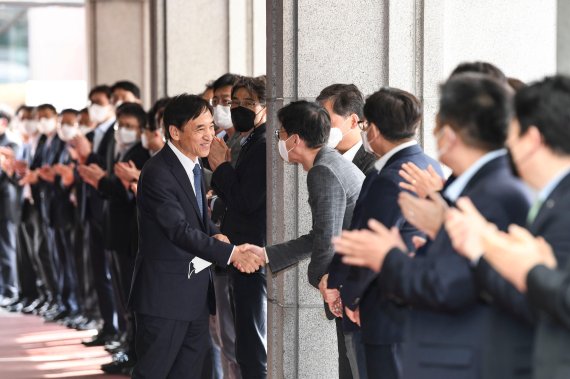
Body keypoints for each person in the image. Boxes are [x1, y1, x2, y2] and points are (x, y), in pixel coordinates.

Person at [334, 73, 534, 379]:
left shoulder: (496, 190)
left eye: (440, 123)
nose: (436, 132)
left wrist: (388, 257)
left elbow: (454, 283)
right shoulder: (468, 181)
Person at [128, 93, 264, 379]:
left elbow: (198, 222)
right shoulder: (158, 172)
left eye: (211, 127)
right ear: (175, 132)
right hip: (165, 298)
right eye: (199, 128)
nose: (209, 136)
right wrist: (232, 254)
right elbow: (177, 229)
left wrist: (218, 236)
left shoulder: (194, 168)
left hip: (195, 295)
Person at [445, 75, 570, 379]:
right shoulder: (553, 197)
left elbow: (548, 302)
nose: (508, 146)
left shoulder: (564, 207)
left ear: (533, 139)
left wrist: (485, 252)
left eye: (512, 135)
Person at [328, 88, 443, 379]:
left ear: (374, 129)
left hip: (383, 312)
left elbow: (371, 244)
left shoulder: (389, 177)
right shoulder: (430, 166)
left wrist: (350, 296)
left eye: (365, 126)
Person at [247, 99, 365, 379]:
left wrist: (326, 282)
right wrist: (266, 254)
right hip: (353, 280)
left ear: (295, 139)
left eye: (281, 134)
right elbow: (320, 235)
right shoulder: (329, 162)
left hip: (357, 284)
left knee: (354, 368)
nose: (280, 140)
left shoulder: (323, 170)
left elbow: (327, 239)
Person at [209, 76, 268, 379]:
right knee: (243, 340)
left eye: (249, 103)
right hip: (237, 251)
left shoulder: (263, 143)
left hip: (251, 252)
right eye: (235, 103)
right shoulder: (247, 140)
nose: (239, 109)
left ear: (266, 106)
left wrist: (220, 167)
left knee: (251, 343)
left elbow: (245, 199)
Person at [73, 85, 120, 346]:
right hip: (92, 210)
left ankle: (118, 330)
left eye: (99, 102)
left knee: (113, 276)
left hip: (109, 211)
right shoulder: (92, 133)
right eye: (91, 102)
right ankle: (108, 326)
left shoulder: (115, 134)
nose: (94, 107)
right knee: (99, 273)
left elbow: (105, 171)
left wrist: (87, 154)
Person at [316, 84, 376, 174]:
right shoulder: (328, 158)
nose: (321, 127)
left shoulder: (374, 166)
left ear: (353, 121)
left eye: (327, 120)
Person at [0, 110, 20, 307]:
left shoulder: (11, 144)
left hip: (6, 202)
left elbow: (14, 173)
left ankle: (10, 289)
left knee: (7, 246)